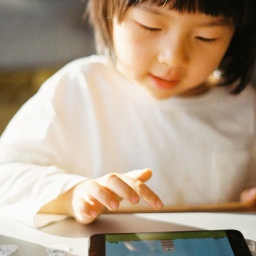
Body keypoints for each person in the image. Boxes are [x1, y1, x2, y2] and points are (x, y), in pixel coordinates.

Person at [0, 0, 256, 228]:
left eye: (206, 36)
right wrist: (72, 194)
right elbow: (6, 175)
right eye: (150, 27)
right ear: (109, 12)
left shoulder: (244, 107)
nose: (173, 58)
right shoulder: (78, 88)